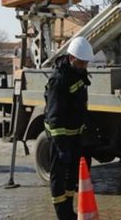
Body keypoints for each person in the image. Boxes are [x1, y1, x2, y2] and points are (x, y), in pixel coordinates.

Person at [44, 37, 93, 220]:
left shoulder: (78, 73)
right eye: (81, 63)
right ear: (72, 58)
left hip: (74, 136)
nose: (84, 66)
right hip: (60, 138)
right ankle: (61, 214)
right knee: (59, 176)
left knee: (72, 176)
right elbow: (55, 117)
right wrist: (62, 146)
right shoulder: (58, 80)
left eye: (86, 63)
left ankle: (69, 210)